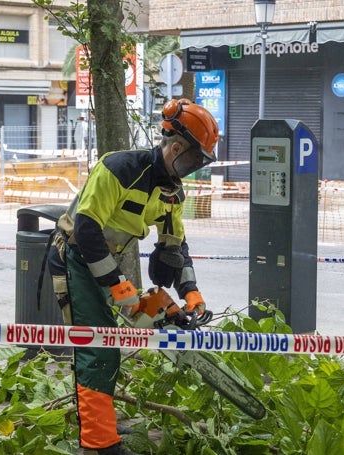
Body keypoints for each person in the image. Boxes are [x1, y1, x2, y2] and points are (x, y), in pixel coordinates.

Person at [47, 98, 219, 454]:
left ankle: (101, 421)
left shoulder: (172, 192)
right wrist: (118, 286)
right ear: (174, 148)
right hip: (76, 257)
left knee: (120, 335)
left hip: (108, 261)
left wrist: (191, 291)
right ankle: (97, 444)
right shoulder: (119, 168)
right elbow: (88, 228)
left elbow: (175, 245)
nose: (191, 168)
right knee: (98, 349)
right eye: (192, 160)